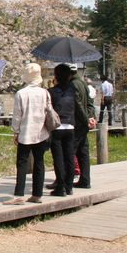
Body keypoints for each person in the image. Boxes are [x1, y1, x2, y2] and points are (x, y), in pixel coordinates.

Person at [3, 63, 51, 205]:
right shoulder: (45, 93)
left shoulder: (21, 93)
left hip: (25, 131)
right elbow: (48, 111)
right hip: (41, 131)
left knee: (22, 163)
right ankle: (37, 194)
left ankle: (19, 195)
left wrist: (15, 131)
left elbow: (17, 115)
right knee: (39, 162)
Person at [48, 63, 76, 196]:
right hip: (70, 125)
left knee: (58, 158)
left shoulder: (51, 92)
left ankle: (61, 186)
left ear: (56, 76)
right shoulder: (72, 90)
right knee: (69, 156)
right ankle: (69, 186)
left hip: (57, 127)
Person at [69, 63, 97, 188]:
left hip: (77, 123)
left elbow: (78, 104)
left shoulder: (72, 85)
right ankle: (85, 180)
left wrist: (86, 119)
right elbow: (90, 103)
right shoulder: (83, 83)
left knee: (70, 152)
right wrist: (91, 117)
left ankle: (66, 180)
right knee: (83, 153)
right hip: (83, 124)